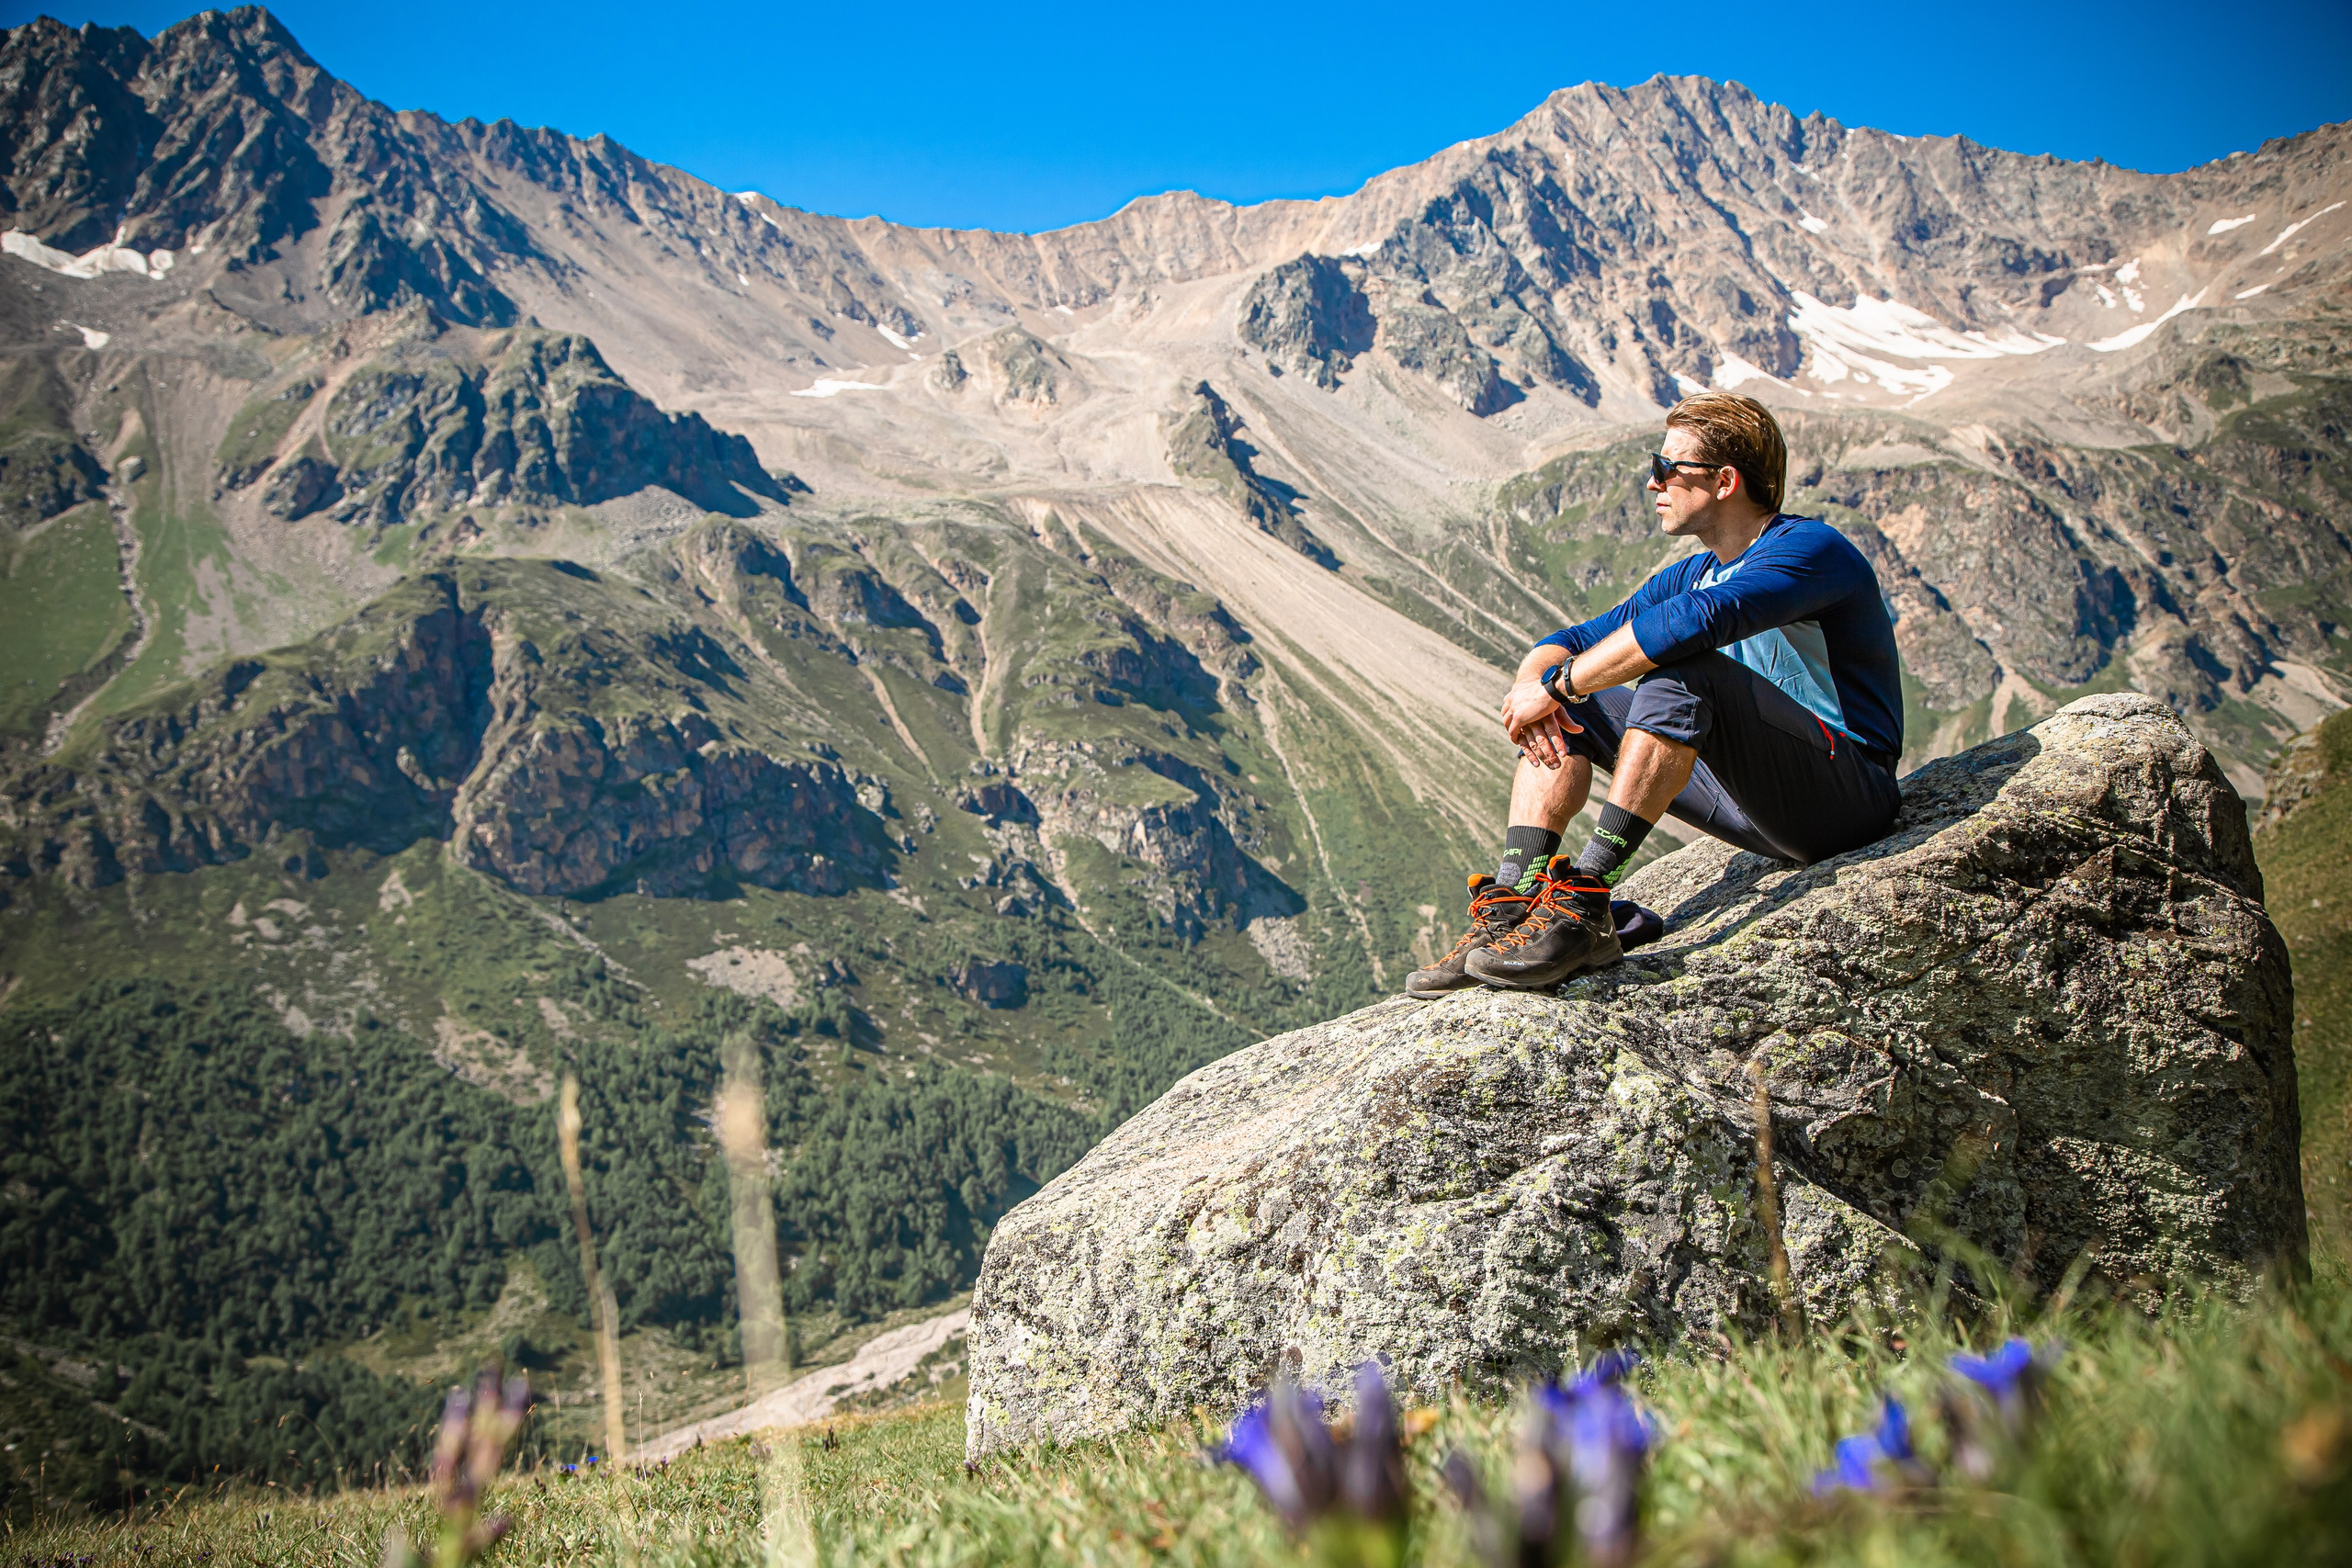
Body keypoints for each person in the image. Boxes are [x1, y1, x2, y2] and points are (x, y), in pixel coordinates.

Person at [1408, 391, 1905, 996]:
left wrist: (1560, 683)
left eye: (1668, 467)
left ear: (1724, 481)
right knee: (1583, 705)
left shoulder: (1810, 551)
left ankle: (1588, 900)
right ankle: (1515, 902)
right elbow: (1577, 637)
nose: (1654, 483)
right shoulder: (1694, 568)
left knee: (1685, 672)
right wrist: (1535, 685)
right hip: (1754, 804)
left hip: (1849, 800)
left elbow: (1698, 622)